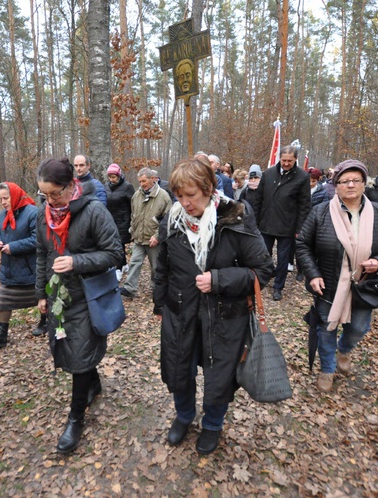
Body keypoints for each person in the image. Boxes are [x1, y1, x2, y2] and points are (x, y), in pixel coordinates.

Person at [153, 158, 274, 455]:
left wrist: (219, 280)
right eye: (179, 196)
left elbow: (263, 270)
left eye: (191, 195)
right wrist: (160, 305)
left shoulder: (236, 219)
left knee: (219, 376)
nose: (184, 202)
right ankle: (184, 416)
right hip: (180, 312)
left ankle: (212, 425)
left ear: (208, 189)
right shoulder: (173, 220)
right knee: (179, 370)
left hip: (224, 316)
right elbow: (163, 268)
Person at [35, 157, 122, 454]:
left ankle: (75, 418)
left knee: (80, 353)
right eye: (44, 195)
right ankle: (93, 384)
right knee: (71, 349)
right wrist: (41, 293)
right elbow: (42, 254)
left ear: (72, 185)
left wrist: (76, 261)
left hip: (88, 295)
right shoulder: (43, 214)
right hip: (59, 296)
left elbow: (114, 253)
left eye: (55, 193)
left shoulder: (94, 210)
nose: (50, 200)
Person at [296, 160, 378, 393]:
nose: (350, 185)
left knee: (359, 328)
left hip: (366, 285)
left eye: (356, 180)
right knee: (326, 327)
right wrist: (312, 274)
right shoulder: (321, 212)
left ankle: (345, 349)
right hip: (329, 283)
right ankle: (328, 368)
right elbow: (302, 245)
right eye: (344, 181)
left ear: (364, 184)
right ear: (336, 185)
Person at [0, 182, 43, 346]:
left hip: (30, 267)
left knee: (42, 297)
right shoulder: (3, 215)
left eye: (6, 198)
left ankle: (46, 321)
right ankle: (1, 335)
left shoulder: (32, 213)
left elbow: (38, 239)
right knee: (4, 300)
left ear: (14, 196)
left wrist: (13, 247)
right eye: (1, 199)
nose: (3, 202)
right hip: (9, 268)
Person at [255, 145, 311, 301]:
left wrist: (300, 228)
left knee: (283, 259)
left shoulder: (302, 177)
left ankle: (278, 287)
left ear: (295, 160)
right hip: (266, 224)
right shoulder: (268, 174)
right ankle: (261, 280)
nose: (286, 163)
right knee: (263, 256)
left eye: (290, 161)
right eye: (284, 160)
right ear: (279, 158)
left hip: (287, 226)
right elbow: (258, 199)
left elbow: (304, 205)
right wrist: (255, 221)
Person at [120, 167, 172, 299]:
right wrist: (132, 230)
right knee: (134, 262)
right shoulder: (136, 195)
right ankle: (129, 288)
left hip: (154, 239)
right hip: (139, 237)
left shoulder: (164, 196)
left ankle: (157, 288)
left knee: (156, 267)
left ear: (152, 179)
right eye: (140, 181)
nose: (142, 184)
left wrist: (157, 236)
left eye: (144, 181)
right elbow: (134, 214)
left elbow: (167, 220)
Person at [105, 163, 135, 279]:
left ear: (119, 176)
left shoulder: (127, 187)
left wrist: (131, 221)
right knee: (114, 243)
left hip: (123, 220)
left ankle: (119, 268)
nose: (112, 179)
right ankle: (124, 264)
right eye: (110, 177)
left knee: (119, 243)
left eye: (114, 177)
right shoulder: (106, 187)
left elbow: (133, 205)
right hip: (110, 219)